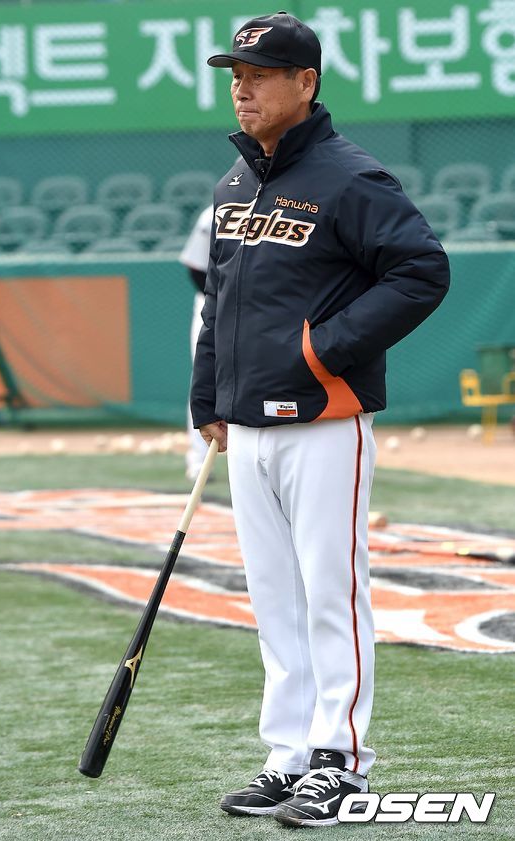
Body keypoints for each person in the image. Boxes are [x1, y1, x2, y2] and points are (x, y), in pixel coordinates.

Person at [191, 11, 450, 829]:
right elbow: (222, 297)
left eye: (259, 76)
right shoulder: (234, 183)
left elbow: (421, 270)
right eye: (236, 76)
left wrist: (322, 350)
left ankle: (340, 758)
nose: (242, 90)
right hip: (247, 426)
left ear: (305, 83)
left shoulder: (352, 178)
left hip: (323, 420)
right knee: (273, 596)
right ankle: (289, 753)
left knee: (330, 592)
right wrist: (209, 394)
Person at [179, 204, 213, 481]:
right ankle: (198, 460)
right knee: (203, 377)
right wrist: (220, 299)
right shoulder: (215, 210)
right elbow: (195, 267)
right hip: (211, 305)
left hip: (258, 306)